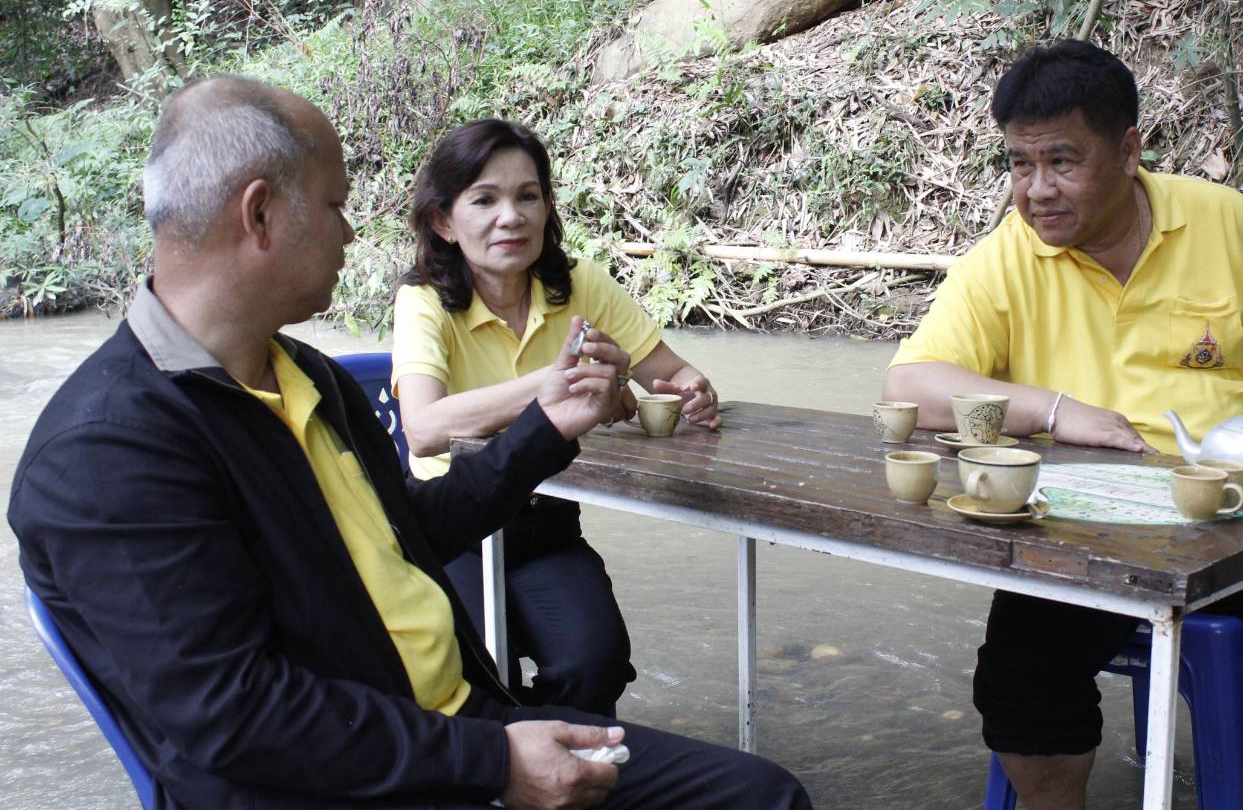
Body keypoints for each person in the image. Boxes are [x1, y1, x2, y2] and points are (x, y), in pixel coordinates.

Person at [9, 77, 811, 810]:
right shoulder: (107, 452)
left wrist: (545, 429)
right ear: (258, 214)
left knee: (761, 795)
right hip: (358, 784)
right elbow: (235, 716)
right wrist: (491, 761)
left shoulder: (304, 376)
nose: (351, 232)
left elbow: (410, 534)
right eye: (333, 205)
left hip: (459, 729)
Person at [884, 40, 1243, 810]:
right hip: (1084, 524)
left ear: (1129, 148)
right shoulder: (1007, 258)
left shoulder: (1220, 222)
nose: (1036, 190)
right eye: (1018, 164)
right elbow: (912, 383)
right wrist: (1055, 410)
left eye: (1061, 161)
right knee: (1020, 671)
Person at [391, 119, 719, 716]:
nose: (510, 217)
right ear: (444, 221)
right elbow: (424, 425)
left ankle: (571, 770)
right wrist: (550, 389)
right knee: (477, 676)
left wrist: (692, 393)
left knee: (593, 665)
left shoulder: (578, 284)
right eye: (484, 200)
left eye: (527, 196)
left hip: (544, 524)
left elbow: (669, 373)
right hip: (451, 528)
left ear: (546, 207)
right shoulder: (425, 301)